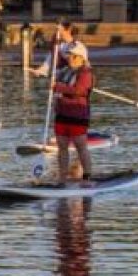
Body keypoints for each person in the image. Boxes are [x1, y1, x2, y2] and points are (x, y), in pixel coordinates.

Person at [53, 43, 95, 186]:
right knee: (62, 146)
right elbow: (56, 71)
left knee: (80, 146)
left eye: (73, 56)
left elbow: (78, 90)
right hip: (62, 114)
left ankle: (87, 175)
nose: (70, 58)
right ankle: (62, 176)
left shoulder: (86, 73)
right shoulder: (65, 71)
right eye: (69, 55)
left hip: (77, 115)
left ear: (81, 58)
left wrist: (57, 87)